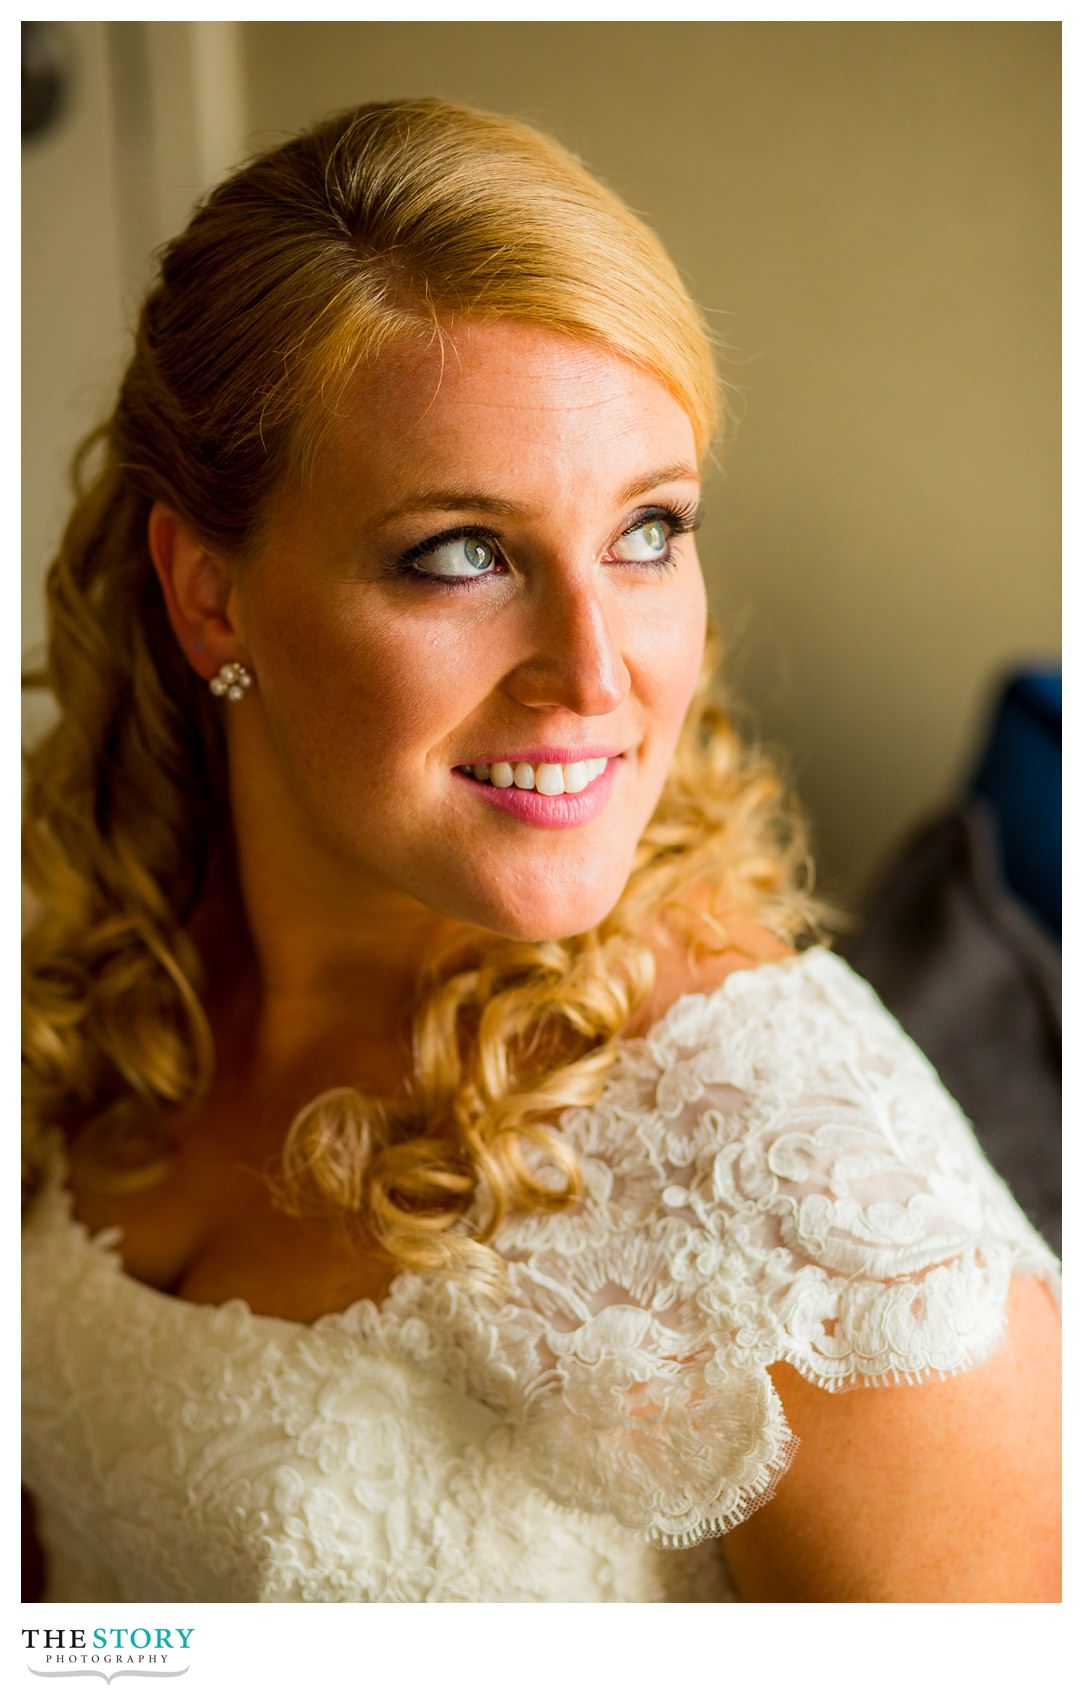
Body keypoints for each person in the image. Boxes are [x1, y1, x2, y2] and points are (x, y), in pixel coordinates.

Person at [22, 96, 1060, 1605]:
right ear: (208, 595)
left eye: (649, 531)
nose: (594, 670)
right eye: (462, 553)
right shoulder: (111, 975)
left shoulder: (824, 1219)